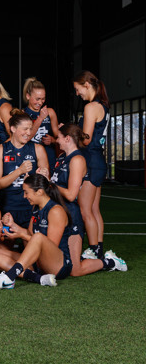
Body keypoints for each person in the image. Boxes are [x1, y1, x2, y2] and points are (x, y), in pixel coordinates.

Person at [51, 124, 127, 275]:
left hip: (71, 216)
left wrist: (49, 184)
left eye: (58, 137)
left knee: (75, 270)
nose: (56, 141)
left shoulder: (78, 160)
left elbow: (72, 195)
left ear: (67, 138)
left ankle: (110, 262)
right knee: (53, 265)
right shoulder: (61, 158)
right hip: (57, 213)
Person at [0, 174, 73, 289]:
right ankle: (39, 278)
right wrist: (13, 226)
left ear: (39, 192)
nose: (24, 196)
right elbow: (30, 234)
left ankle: (9, 278)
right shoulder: (36, 208)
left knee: (38, 237)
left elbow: (49, 244)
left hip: (59, 265)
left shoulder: (56, 211)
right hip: (38, 264)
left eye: (26, 192)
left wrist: (21, 234)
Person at [73, 70, 110, 260]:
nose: (77, 93)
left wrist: (71, 134)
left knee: (85, 209)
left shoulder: (91, 107)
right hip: (98, 161)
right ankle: (98, 248)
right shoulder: (103, 105)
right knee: (94, 209)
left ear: (86, 85)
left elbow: (86, 140)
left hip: (91, 160)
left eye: (78, 89)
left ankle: (94, 248)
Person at [0, 109, 49, 229]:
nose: (29, 133)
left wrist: (41, 177)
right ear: (13, 129)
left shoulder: (38, 149)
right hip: (8, 207)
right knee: (4, 246)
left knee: (32, 245)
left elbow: (46, 183)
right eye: (25, 129)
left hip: (31, 207)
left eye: (30, 129)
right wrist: (19, 171)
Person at [22, 77, 59, 170]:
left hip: (49, 155)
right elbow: (25, 138)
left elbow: (59, 138)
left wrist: (52, 140)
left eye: (43, 99)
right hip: (29, 157)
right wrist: (41, 118)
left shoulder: (50, 112)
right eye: (37, 99)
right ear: (28, 96)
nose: (40, 102)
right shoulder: (22, 114)